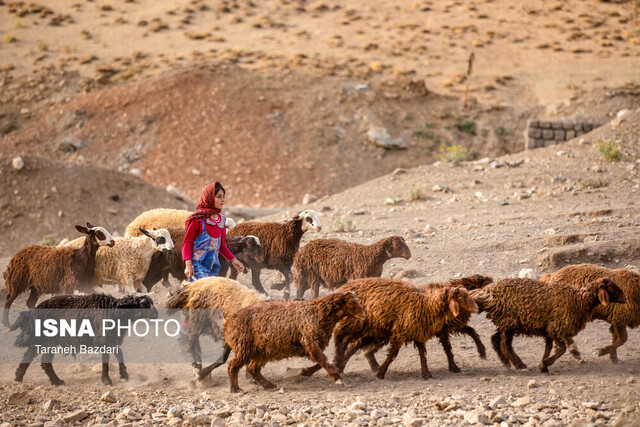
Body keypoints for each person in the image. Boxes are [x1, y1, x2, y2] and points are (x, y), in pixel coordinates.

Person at [182, 182, 244, 280]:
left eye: (224, 197)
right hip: (198, 265)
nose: (222, 200)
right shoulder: (198, 219)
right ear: (209, 198)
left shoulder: (222, 221)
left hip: (214, 266)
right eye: (219, 196)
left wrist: (233, 260)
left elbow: (222, 245)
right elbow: (187, 243)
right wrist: (188, 264)